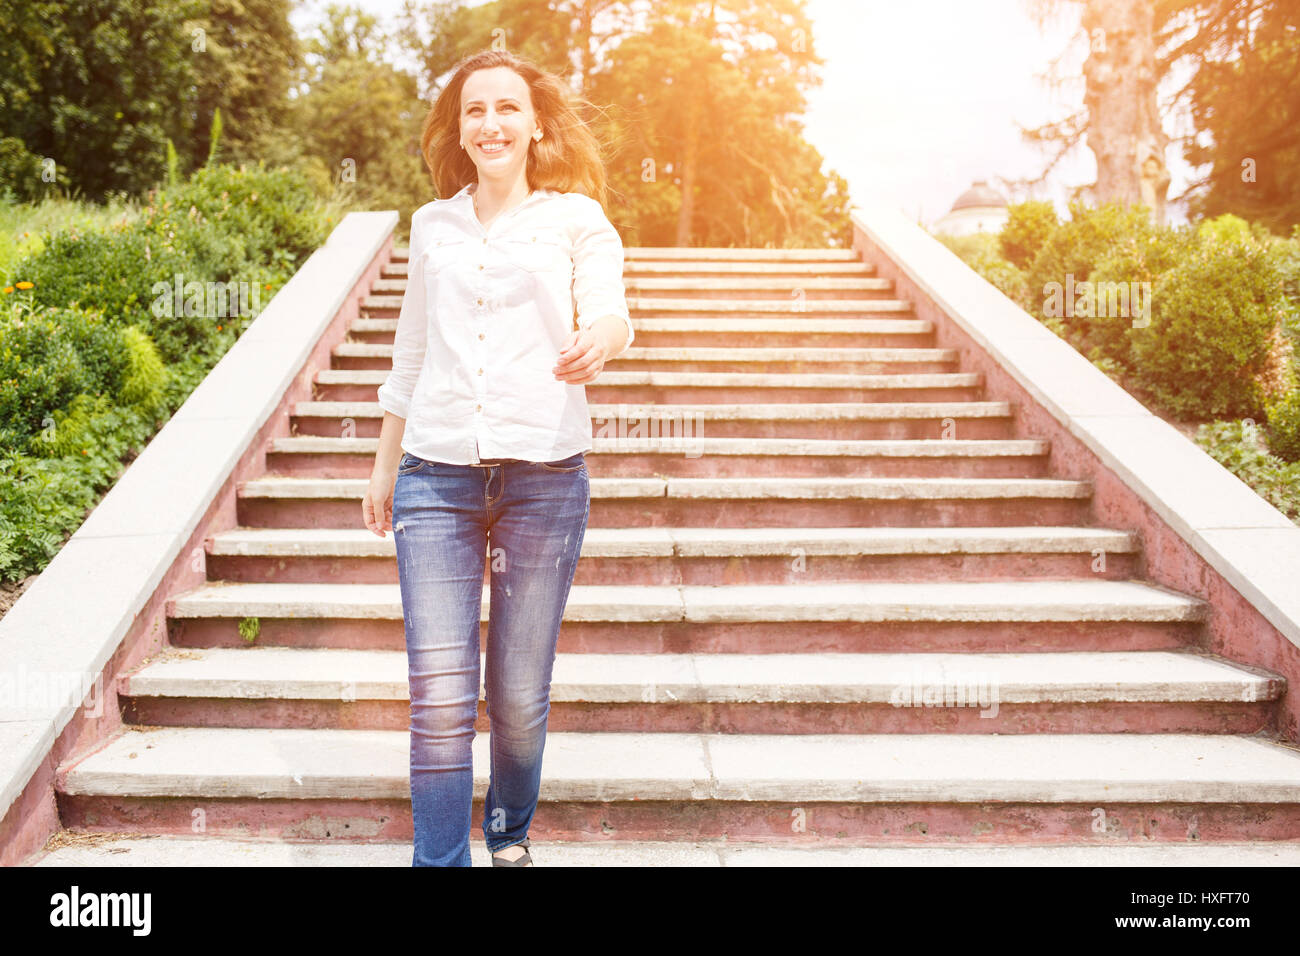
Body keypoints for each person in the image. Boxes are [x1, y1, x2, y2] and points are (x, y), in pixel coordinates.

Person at [360, 49, 634, 867]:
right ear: (459, 128)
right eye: (474, 110)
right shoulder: (433, 224)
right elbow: (410, 354)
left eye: (507, 108)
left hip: (543, 479)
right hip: (434, 479)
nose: (491, 123)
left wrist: (602, 340)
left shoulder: (576, 219)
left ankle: (508, 832)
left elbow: (614, 311)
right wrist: (384, 465)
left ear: (536, 123)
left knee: (516, 696)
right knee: (441, 700)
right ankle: (438, 861)